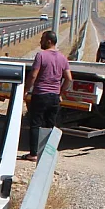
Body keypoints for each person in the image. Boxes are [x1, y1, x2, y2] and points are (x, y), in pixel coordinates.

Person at [21, 31, 71, 162]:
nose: (40, 41)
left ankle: (33, 153)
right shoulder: (63, 58)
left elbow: (33, 75)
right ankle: (47, 153)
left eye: (42, 39)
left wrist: (26, 90)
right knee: (50, 125)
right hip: (54, 96)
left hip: (41, 94)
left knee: (35, 124)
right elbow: (69, 78)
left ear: (49, 41)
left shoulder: (41, 56)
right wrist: (60, 92)